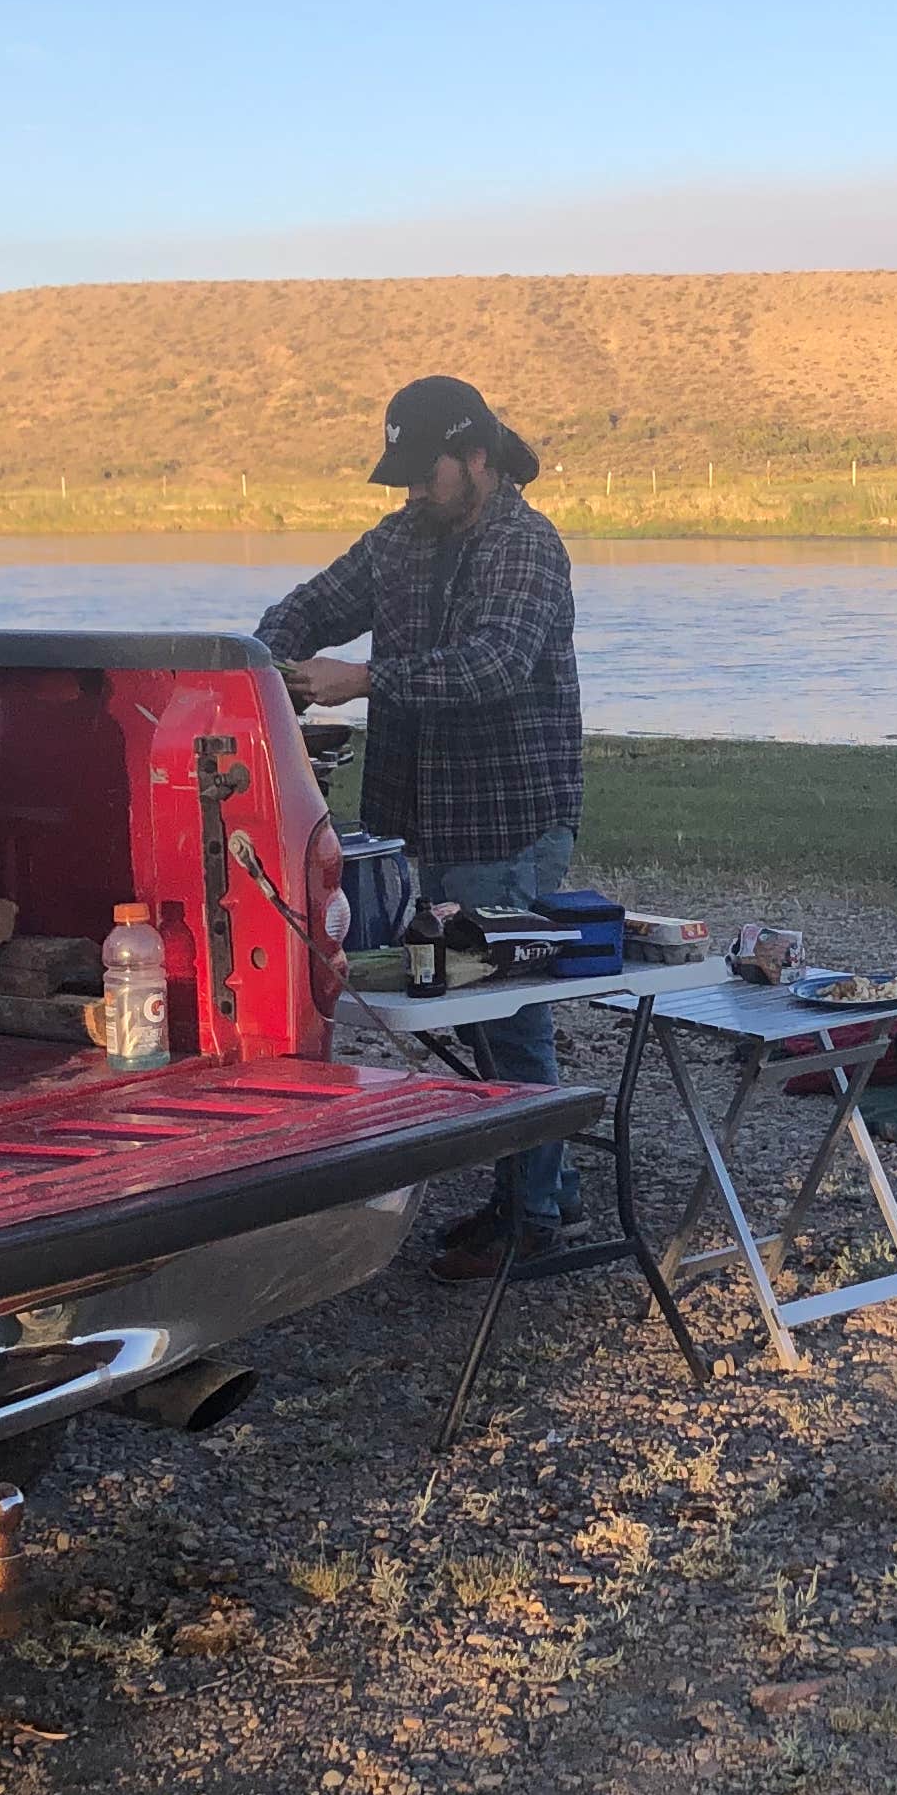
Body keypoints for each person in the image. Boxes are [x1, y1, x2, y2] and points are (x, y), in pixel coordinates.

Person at [257, 376, 584, 1280]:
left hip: (505, 818)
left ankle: (535, 1213)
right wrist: (273, 662)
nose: (410, 491)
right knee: (453, 1010)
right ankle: (541, 1177)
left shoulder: (527, 546)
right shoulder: (400, 538)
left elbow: (494, 667)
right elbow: (309, 606)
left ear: (477, 456)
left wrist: (362, 681)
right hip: (407, 824)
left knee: (507, 1016)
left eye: (424, 471)